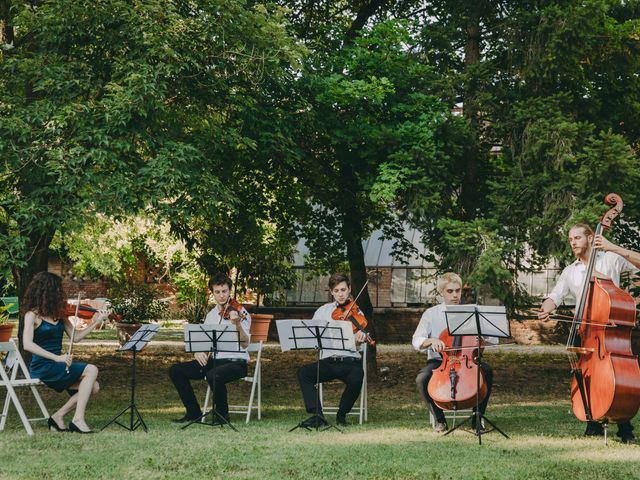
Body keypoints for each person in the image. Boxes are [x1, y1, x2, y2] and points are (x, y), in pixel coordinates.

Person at [538, 223, 640, 444]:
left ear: (591, 237)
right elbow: (556, 295)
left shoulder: (610, 259)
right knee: (587, 376)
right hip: (584, 329)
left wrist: (615, 248)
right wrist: (547, 308)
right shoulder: (570, 270)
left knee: (616, 375)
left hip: (609, 331)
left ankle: (624, 425)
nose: (572, 242)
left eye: (577, 238)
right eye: (570, 239)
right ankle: (592, 421)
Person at [22, 272, 107, 433]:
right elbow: (27, 344)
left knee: (93, 387)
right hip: (43, 366)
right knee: (92, 369)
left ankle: (57, 417)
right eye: (59, 290)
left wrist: (96, 322)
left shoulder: (59, 315)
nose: (62, 294)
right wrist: (57, 357)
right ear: (49, 292)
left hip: (59, 364)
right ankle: (78, 420)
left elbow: (76, 338)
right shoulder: (32, 315)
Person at [412, 272, 495, 433]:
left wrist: (482, 338)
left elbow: (493, 338)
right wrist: (431, 341)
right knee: (422, 378)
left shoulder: (472, 312)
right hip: (440, 361)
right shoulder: (431, 314)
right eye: (450, 291)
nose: (455, 295)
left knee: (487, 371)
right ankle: (440, 420)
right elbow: (417, 339)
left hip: (467, 360)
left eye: (457, 291)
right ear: (441, 292)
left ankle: (477, 419)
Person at [169, 273, 251, 424]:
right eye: (217, 292)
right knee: (176, 370)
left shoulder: (241, 312)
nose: (221, 296)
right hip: (215, 361)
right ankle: (193, 413)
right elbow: (204, 341)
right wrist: (198, 351)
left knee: (214, 374)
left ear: (229, 291)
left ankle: (222, 415)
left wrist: (237, 324)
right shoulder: (211, 315)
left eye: (224, 291)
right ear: (212, 293)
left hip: (236, 362)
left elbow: (245, 344)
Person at [295, 272, 367, 428]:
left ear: (349, 289)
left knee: (357, 377)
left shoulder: (357, 312)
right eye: (336, 291)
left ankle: (341, 415)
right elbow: (313, 335)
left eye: (343, 290)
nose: (340, 294)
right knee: (303, 373)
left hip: (350, 361)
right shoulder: (323, 311)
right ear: (331, 292)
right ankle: (318, 415)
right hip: (328, 361)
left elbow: (358, 345)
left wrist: (358, 339)